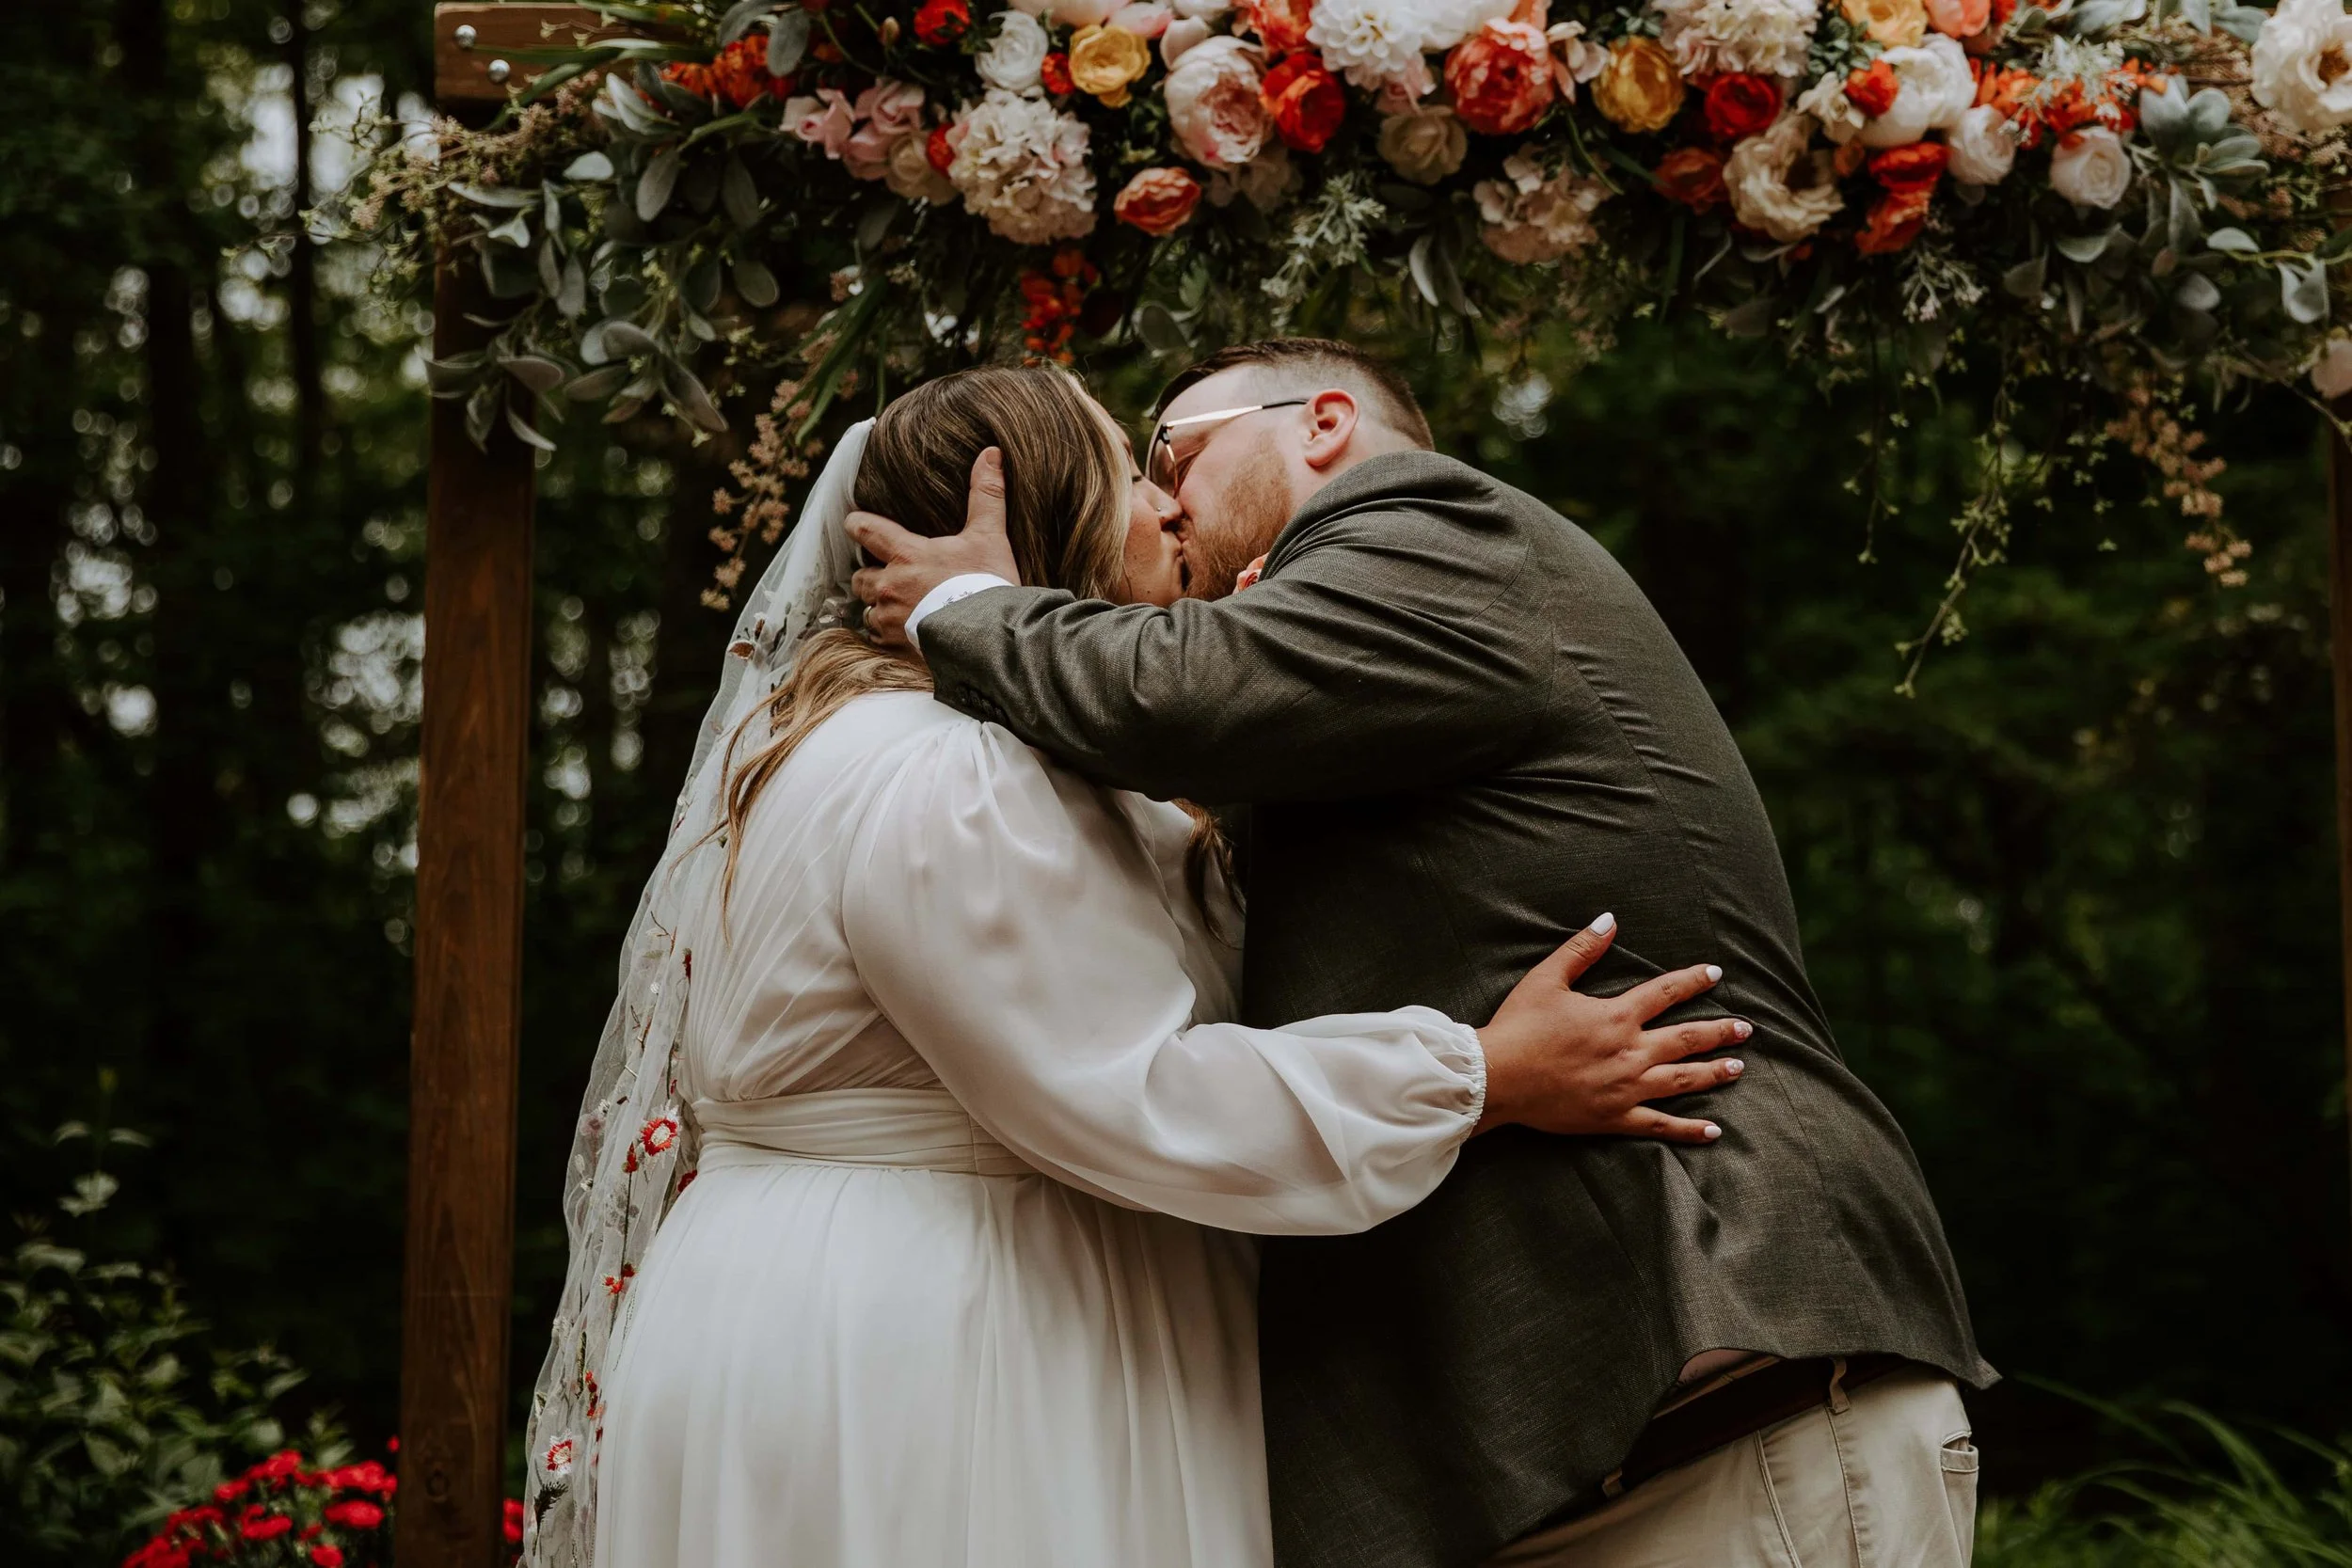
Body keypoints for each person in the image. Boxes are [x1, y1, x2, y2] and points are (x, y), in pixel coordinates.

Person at [518, 364, 1750, 1568]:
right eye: (1125, 472)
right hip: (928, 1336)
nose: (1167, 506)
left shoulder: (887, 758)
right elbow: (1131, 1088)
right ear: (1032, 511)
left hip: (826, 1302)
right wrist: (1477, 1071)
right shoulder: (945, 773)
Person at [848, 340, 1998, 1568]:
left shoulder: (1430, 529)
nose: (1165, 498)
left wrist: (965, 607)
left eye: (1176, 451)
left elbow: (1186, 697)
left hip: (1729, 1423)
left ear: (1326, 424)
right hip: (1599, 1463)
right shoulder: (1348, 700)